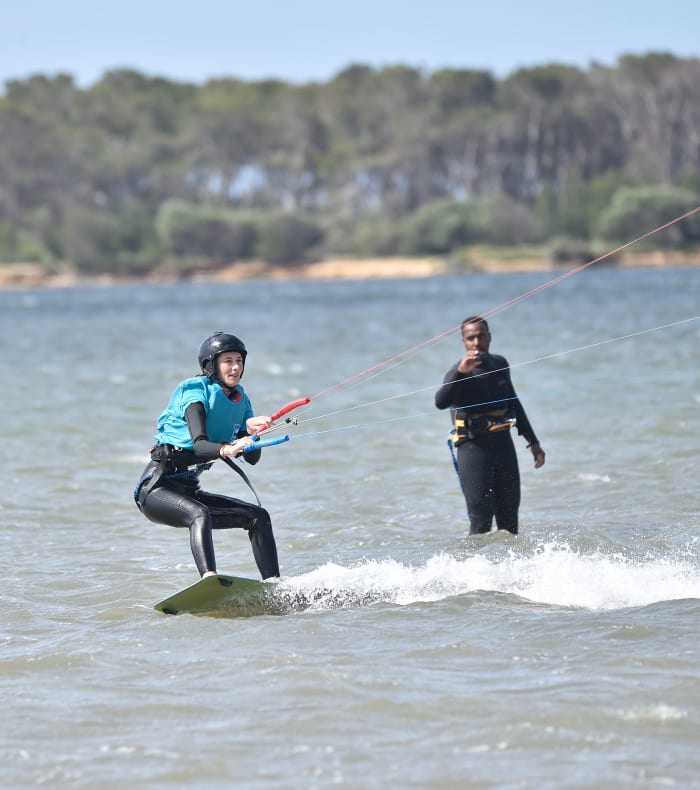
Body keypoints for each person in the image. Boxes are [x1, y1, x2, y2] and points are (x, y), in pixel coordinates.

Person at [134, 332, 280, 579]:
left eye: (239, 361)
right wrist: (226, 448)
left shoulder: (240, 400)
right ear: (211, 365)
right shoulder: (194, 392)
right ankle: (209, 579)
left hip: (190, 491)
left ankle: (274, 585)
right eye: (228, 361)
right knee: (199, 514)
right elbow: (200, 445)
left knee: (258, 516)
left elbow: (252, 459)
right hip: (157, 490)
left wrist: (254, 436)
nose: (235, 367)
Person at [435, 316, 545, 535]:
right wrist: (460, 373)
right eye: (470, 338)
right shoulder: (457, 371)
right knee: (480, 523)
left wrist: (533, 442)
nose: (476, 342)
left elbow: (513, 402)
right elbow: (440, 402)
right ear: (464, 342)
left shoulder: (500, 364)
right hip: (473, 450)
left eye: (481, 336)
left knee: (510, 521)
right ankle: (474, 567)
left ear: (489, 337)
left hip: (503, 447)